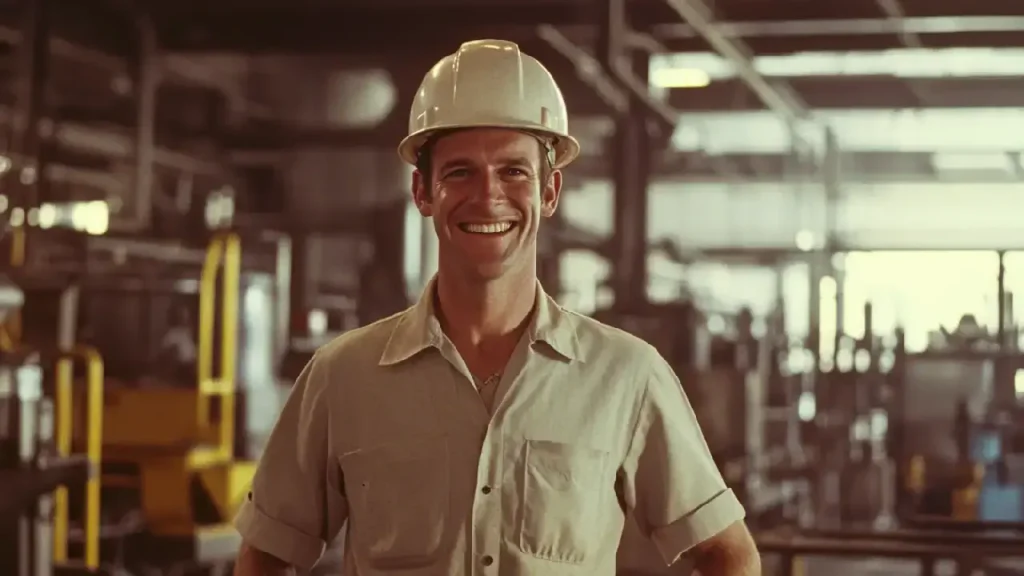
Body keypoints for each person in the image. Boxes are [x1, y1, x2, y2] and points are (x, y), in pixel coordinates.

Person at [232, 39, 760, 576]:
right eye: (460, 172)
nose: (488, 196)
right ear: (422, 191)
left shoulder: (626, 377)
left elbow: (728, 553)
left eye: (513, 171)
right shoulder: (341, 378)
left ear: (550, 191)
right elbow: (264, 557)